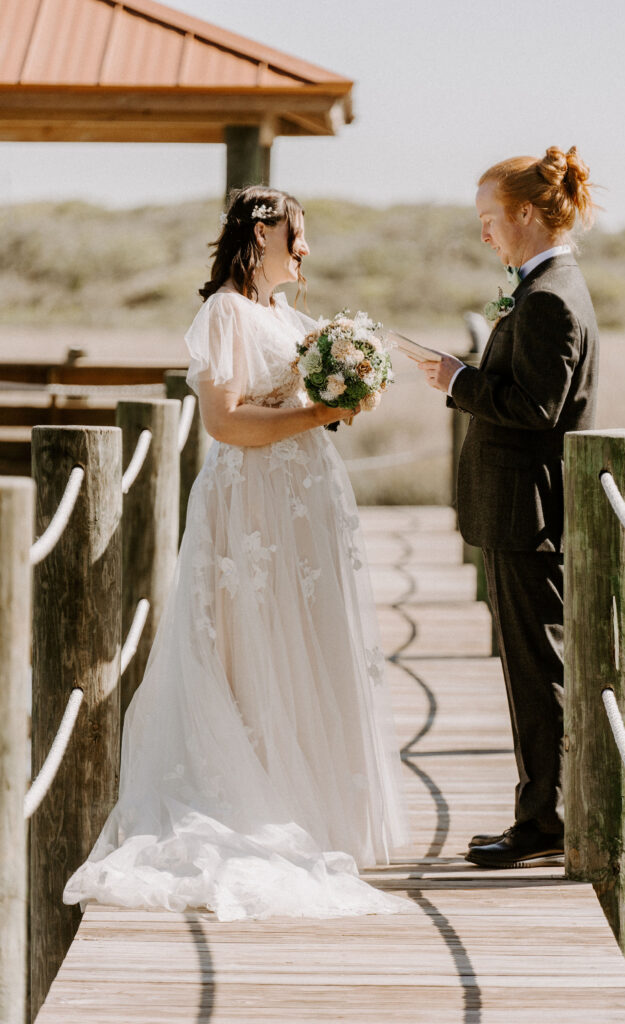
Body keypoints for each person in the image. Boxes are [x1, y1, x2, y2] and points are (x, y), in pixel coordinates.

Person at [64, 186, 408, 920]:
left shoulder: (286, 317)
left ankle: (307, 804)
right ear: (259, 235)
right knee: (249, 641)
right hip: (250, 503)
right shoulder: (224, 313)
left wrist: (352, 389)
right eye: (296, 235)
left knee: (303, 643)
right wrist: (321, 410)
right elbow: (224, 423)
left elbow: (308, 395)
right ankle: (251, 796)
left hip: (303, 498)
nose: (305, 249)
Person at [418, 147, 599, 868]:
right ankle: (542, 810)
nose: (485, 233)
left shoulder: (550, 296)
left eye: (490, 219)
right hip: (522, 513)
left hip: (530, 516)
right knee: (531, 669)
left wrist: (458, 381)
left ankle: (544, 819)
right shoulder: (544, 285)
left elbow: (537, 407)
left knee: (537, 672)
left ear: (526, 213)